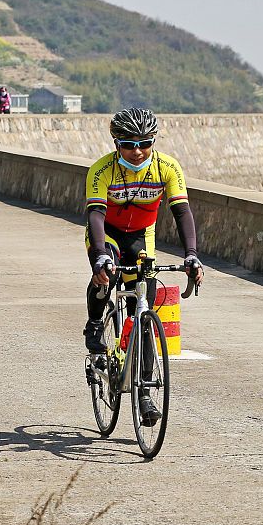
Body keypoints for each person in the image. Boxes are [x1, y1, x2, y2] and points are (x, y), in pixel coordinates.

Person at [83, 108, 204, 424]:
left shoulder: (167, 167)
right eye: (128, 144)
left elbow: (182, 212)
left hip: (141, 237)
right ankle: (95, 323)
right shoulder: (102, 170)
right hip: (106, 233)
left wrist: (191, 254)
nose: (137, 151)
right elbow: (95, 215)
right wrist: (99, 257)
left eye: (144, 143)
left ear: (153, 141)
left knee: (145, 316)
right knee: (105, 275)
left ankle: (146, 394)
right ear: (116, 143)